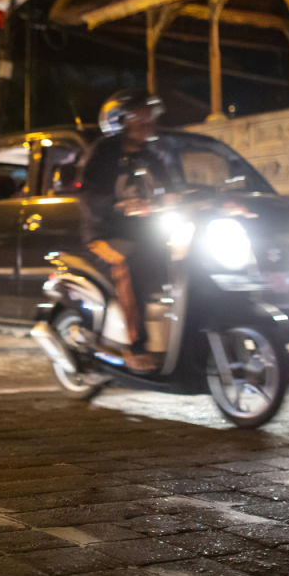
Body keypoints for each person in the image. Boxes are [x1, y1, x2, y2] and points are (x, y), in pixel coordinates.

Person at [80, 89, 171, 372]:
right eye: (139, 115)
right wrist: (118, 205)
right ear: (121, 120)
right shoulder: (103, 154)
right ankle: (135, 345)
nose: (147, 121)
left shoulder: (154, 155)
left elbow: (173, 187)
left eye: (149, 114)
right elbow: (90, 194)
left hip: (146, 234)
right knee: (128, 267)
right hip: (108, 236)